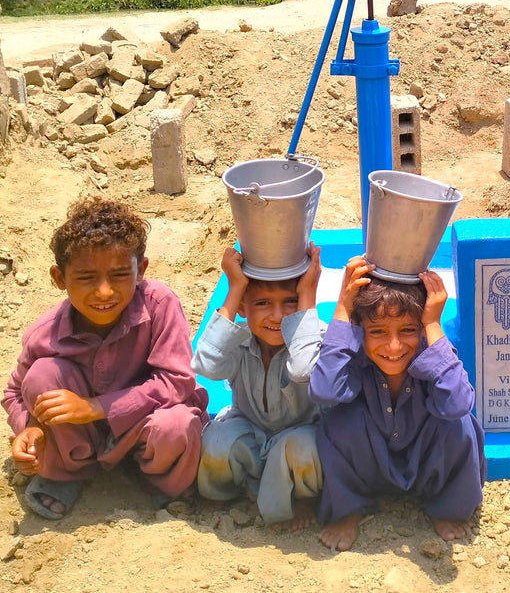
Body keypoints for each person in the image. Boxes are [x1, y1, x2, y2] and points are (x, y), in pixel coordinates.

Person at [3, 198, 208, 520]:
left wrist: (95, 408)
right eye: (86, 277)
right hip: (78, 438)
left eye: (118, 275)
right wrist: (28, 428)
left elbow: (178, 380)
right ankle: (68, 472)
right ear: (59, 278)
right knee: (42, 375)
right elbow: (14, 393)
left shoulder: (159, 305)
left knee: (177, 424)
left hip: (144, 427)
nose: (103, 292)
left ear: (141, 270)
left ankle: (161, 480)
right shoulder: (45, 333)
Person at [312, 257, 485, 551]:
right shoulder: (355, 360)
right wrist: (343, 307)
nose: (393, 347)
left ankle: (448, 508)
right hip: (372, 470)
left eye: (407, 330)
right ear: (360, 330)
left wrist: (432, 323)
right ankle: (349, 509)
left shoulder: (432, 358)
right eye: (377, 332)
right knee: (337, 422)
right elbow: (325, 391)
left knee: (459, 424)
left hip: (426, 469)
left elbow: (458, 403)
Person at [192, 245, 326, 529]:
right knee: (215, 441)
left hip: (300, 436)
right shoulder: (237, 340)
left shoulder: (314, 339)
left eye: (290, 302)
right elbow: (207, 365)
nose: (277, 316)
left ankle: (298, 499)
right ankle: (238, 494)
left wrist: (307, 299)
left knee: (305, 449)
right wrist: (235, 288)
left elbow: (303, 369)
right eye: (263, 303)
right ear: (243, 306)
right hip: (251, 431)